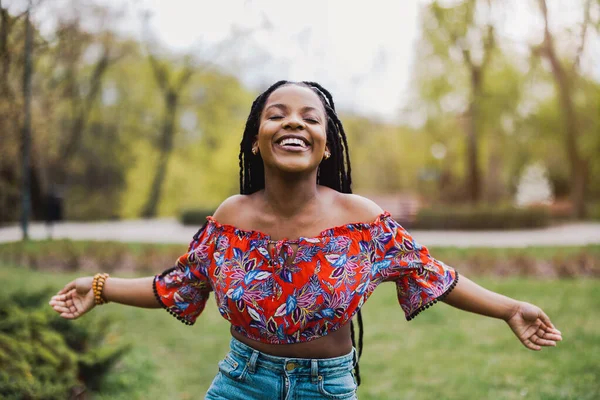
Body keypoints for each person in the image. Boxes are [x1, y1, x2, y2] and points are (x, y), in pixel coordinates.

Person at [49, 81, 562, 399]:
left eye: (309, 117)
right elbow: (177, 286)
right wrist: (98, 288)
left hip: (328, 388)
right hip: (241, 383)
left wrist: (508, 307)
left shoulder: (361, 220)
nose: (293, 120)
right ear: (257, 138)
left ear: (324, 144)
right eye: (277, 114)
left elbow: (435, 277)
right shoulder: (231, 217)